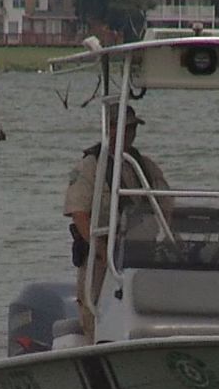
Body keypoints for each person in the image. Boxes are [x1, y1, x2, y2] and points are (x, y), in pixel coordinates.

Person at [63, 103, 171, 342]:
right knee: (95, 315)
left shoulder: (145, 166)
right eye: (123, 127)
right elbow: (79, 213)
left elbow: (166, 204)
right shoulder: (90, 167)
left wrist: (175, 240)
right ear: (108, 128)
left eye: (132, 128)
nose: (128, 133)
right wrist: (101, 252)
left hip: (141, 257)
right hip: (101, 258)